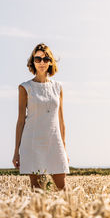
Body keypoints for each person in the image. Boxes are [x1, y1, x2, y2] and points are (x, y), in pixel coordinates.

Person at [12, 43, 70, 191]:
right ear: (33, 62)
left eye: (45, 59)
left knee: (64, 191)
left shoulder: (58, 87)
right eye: (38, 59)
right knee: (36, 192)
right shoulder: (25, 87)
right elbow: (20, 121)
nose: (42, 63)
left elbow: (61, 121)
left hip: (54, 142)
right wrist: (16, 151)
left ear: (51, 62)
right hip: (32, 143)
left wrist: (64, 148)